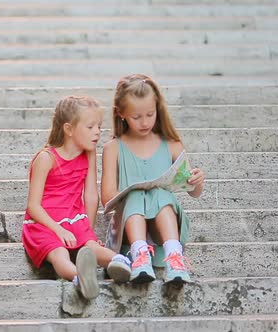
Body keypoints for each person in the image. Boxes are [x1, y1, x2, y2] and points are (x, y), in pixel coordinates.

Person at [23, 95, 132, 300]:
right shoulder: (46, 159)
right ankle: (79, 276)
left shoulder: (88, 153)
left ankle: (121, 263)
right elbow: (33, 206)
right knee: (59, 253)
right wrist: (59, 229)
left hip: (75, 219)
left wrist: (87, 231)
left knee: (92, 246)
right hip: (44, 223)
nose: (98, 132)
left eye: (99, 126)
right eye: (90, 127)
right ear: (69, 129)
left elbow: (91, 196)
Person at [101, 74, 206, 285]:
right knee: (138, 194)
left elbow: (193, 192)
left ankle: (174, 258)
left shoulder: (172, 144)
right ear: (121, 114)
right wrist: (135, 191)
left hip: (163, 230)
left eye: (150, 114)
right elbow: (107, 199)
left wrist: (197, 182)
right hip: (129, 228)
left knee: (159, 193)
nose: (145, 122)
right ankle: (140, 256)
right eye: (136, 117)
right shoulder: (113, 148)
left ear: (158, 108)